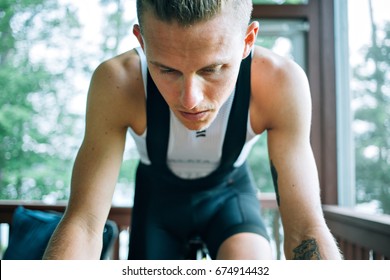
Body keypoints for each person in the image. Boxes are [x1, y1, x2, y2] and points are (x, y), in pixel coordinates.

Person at [43, 0, 342, 260]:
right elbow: (84, 223)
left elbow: (304, 231)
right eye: (167, 70)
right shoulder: (118, 82)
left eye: (212, 69)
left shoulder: (280, 82)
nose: (190, 100)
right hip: (157, 200)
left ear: (248, 41)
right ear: (142, 43)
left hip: (230, 195)